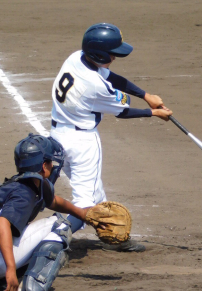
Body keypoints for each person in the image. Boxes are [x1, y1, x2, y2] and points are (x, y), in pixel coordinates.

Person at [50, 23, 172, 251]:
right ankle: (50, 241)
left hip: (57, 137)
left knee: (95, 192)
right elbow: (123, 111)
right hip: (82, 144)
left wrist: (145, 95)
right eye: (112, 54)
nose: (115, 58)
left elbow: (111, 76)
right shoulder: (94, 86)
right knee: (85, 203)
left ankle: (112, 237)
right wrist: (154, 112)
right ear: (99, 53)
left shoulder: (76, 57)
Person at [0, 133, 88, 291]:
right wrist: (10, 269)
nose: (53, 167)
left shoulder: (21, 184)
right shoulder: (24, 193)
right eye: (50, 162)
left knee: (29, 234)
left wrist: (84, 215)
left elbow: (52, 201)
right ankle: (31, 287)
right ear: (43, 166)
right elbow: (1, 223)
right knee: (58, 225)